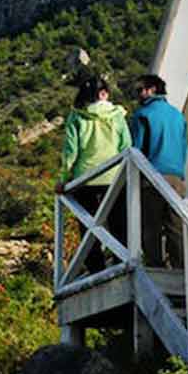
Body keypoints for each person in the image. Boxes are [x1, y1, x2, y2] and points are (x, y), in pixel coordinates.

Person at [57, 73, 130, 274]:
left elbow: (71, 151)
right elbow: (127, 146)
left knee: (88, 226)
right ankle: (121, 262)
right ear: (104, 93)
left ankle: (96, 268)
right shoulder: (117, 116)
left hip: (85, 178)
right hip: (114, 177)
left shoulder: (76, 116)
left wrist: (63, 179)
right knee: (118, 223)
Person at [128, 73, 188, 267]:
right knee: (175, 226)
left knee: (150, 226)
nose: (137, 95)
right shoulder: (178, 115)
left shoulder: (142, 115)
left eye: (139, 90)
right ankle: (181, 268)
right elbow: (183, 146)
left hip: (152, 176)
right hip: (176, 178)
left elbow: (136, 150)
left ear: (151, 90)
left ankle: (155, 268)